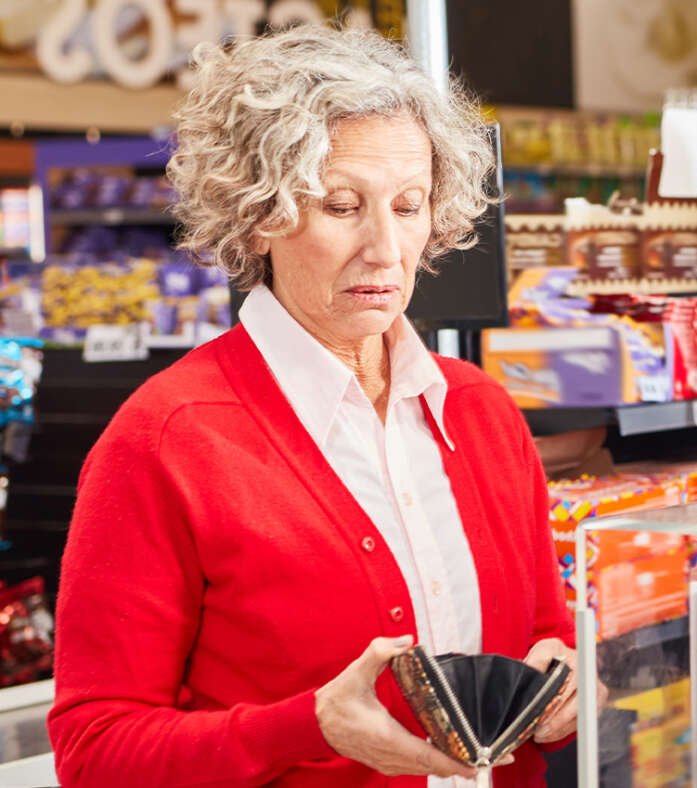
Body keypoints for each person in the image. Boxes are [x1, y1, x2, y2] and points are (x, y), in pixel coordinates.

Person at [47, 26, 574, 788]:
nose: (387, 248)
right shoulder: (166, 440)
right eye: (340, 205)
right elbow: (96, 751)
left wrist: (555, 680)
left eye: (409, 204)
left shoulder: (481, 412)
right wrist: (307, 727)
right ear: (258, 211)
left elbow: (543, 633)